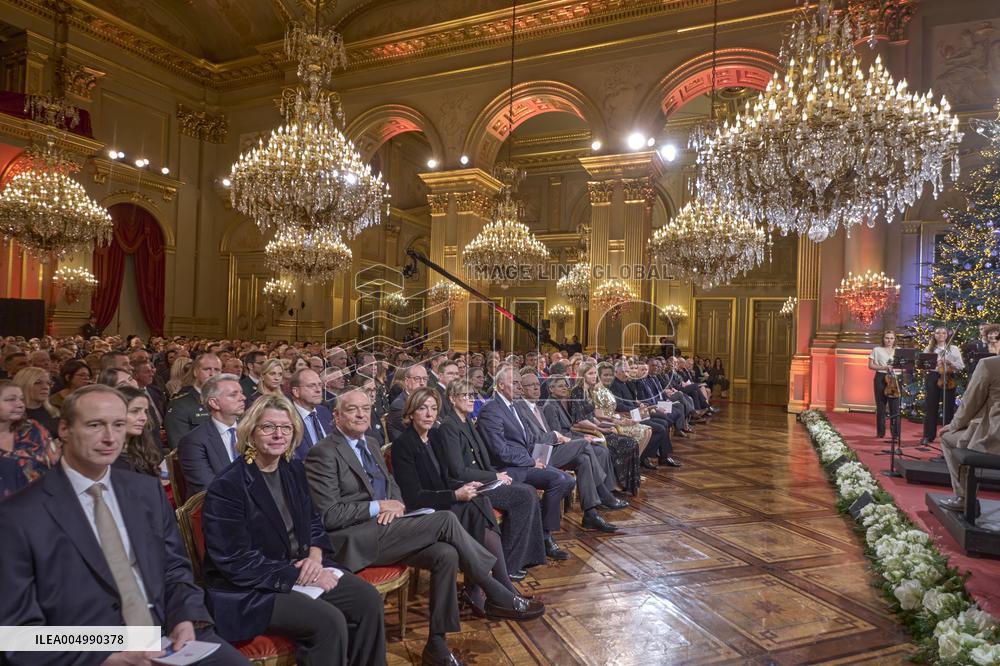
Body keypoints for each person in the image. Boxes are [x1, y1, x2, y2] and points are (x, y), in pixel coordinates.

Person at [0, 384, 249, 666]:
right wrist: (106, 655)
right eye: (95, 425)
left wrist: (185, 616)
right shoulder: (19, 515)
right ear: (64, 429)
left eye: (118, 424)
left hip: (167, 634)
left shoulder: (146, 491)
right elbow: (17, 634)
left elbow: (175, 568)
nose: (110, 437)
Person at [305, 388, 542, 666]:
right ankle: (495, 590)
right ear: (335, 416)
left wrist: (395, 504)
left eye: (365, 408)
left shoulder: (370, 444)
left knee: (446, 554)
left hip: (391, 528)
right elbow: (330, 515)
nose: (360, 414)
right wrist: (379, 507)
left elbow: (392, 486)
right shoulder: (322, 453)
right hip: (355, 539)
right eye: (351, 409)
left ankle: (436, 644)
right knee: (446, 519)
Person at [201, 394, 386, 666]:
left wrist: (314, 557)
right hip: (251, 588)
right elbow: (236, 561)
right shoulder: (228, 485)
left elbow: (313, 521)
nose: (279, 434)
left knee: (367, 600)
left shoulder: (293, 468)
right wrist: (296, 575)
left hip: (302, 566)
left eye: (286, 428)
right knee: (328, 620)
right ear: (251, 431)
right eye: (268, 427)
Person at [392, 387, 531, 616]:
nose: (429, 414)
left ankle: (488, 588)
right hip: (425, 510)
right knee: (474, 509)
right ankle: (496, 588)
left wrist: (464, 487)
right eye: (422, 409)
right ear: (411, 413)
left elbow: (447, 476)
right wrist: (455, 494)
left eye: (433, 409)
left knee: (480, 501)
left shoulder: (434, 437)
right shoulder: (403, 445)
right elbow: (413, 497)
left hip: (444, 500)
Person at [435, 378, 546, 580]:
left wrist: (497, 475)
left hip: (484, 479)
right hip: (469, 486)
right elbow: (458, 471)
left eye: (471, 395)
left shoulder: (467, 421)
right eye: (465, 395)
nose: (471, 400)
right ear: (452, 399)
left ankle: (527, 557)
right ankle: (510, 564)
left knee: (528, 490)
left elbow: (482, 458)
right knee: (524, 496)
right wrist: (494, 476)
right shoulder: (448, 427)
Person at [477, 366, 576, 560]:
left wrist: (538, 457)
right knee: (560, 480)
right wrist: (531, 462)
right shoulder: (492, 409)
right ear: (500, 385)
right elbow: (500, 451)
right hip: (506, 469)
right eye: (514, 383)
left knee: (568, 480)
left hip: (524, 462)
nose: (520, 387)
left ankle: (542, 529)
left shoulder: (514, 407)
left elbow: (528, 439)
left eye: (519, 383)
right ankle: (546, 536)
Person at [516, 368, 624, 530]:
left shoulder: (537, 407)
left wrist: (558, 438)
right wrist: (556, 436)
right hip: (539, 454)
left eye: (537, 384)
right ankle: (603, 492)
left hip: (553, 448)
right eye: (530, 385)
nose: (536, 388)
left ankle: (590, 514)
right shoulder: (520, 409)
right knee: (585, 444)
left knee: (584, 460)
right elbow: (532, 440)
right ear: (521, 389)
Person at [938, 354, 1000, 513]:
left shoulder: (990, 364)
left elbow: (971, 402)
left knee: (947, 438)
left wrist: (954, 425)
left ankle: (964, 498)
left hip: (995, 437)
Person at [569, 363, 643, 493]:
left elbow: (594, 417)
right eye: (590, 373)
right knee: (626, 443)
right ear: (582, 375)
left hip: (595, 427)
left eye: (594, 373)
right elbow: (580, 420)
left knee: (631, 442)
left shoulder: (590, 391)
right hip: (588, 431)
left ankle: (624, 482)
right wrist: (601, 429)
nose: (594, 376)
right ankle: (615, 482)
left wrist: (610, 424)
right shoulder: (577, 392)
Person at [177, 373, 246, 500]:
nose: (243, 398)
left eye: (241, 393)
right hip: (221, 508)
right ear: (214, 403)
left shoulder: (251, 431)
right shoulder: (193, 442)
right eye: (233, 394)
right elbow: (208, 488)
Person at [0, 379, 58, 485]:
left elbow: (55, 466)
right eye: (11, 399)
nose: (20, 404)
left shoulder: (33, 429)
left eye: (21, 399)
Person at [165, 352, 222, 449]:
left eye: (217, 370)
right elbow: (180, 447)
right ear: (195, 372)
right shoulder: (179, 405)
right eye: (207, 369)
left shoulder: (227, 400)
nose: (212, 374)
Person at [922, 327, 965, 446]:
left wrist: (950, 362)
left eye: (943, 333)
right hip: (933, 376)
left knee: (948, 407)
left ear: (947, 335)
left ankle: (948, 436)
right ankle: (928, 435)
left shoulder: (954, 348)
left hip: (949, 377)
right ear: (934, 335)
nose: (941, 335)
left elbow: (961, 366)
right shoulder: (929, 348)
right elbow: (925, 365)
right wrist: (935, 363)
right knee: (931, 406)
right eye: (938, 333)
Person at [113, 386, 164, 478]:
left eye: (145, 412)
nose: (144, 418)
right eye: (135, 411)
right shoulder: (106, 459)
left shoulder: (143, 447)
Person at [290, 368, 333, 460]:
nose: (318, 390)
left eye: (319, 385)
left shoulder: (324, 412)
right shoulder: (287, 418)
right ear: (296, 392)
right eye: (311, 386)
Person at [868, 330, 901, 442]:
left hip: (894, 378)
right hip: (880, 378)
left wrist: (894, 368)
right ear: (883, 339)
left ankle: (895, 434)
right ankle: (881, 432)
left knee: (895, 408)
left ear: (894, 339)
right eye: (887, 338)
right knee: (881, 406)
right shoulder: (877, 350)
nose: (889, 340)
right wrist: (884, 368)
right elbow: (871, 365)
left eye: (891, 338)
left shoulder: (899, 350)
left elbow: (904, 366)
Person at [386, 362, 428, 442]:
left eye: (425, 379)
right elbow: (420, 430)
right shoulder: (399, 405)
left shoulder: (425, 401)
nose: (422, 383)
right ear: (406, 381)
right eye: (417, 378)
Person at [13, 366, 59, 436]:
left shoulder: (56, 412)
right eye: (38, 382)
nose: (45, 387)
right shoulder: (11, 416)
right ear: (24, 385)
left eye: (48, 383)